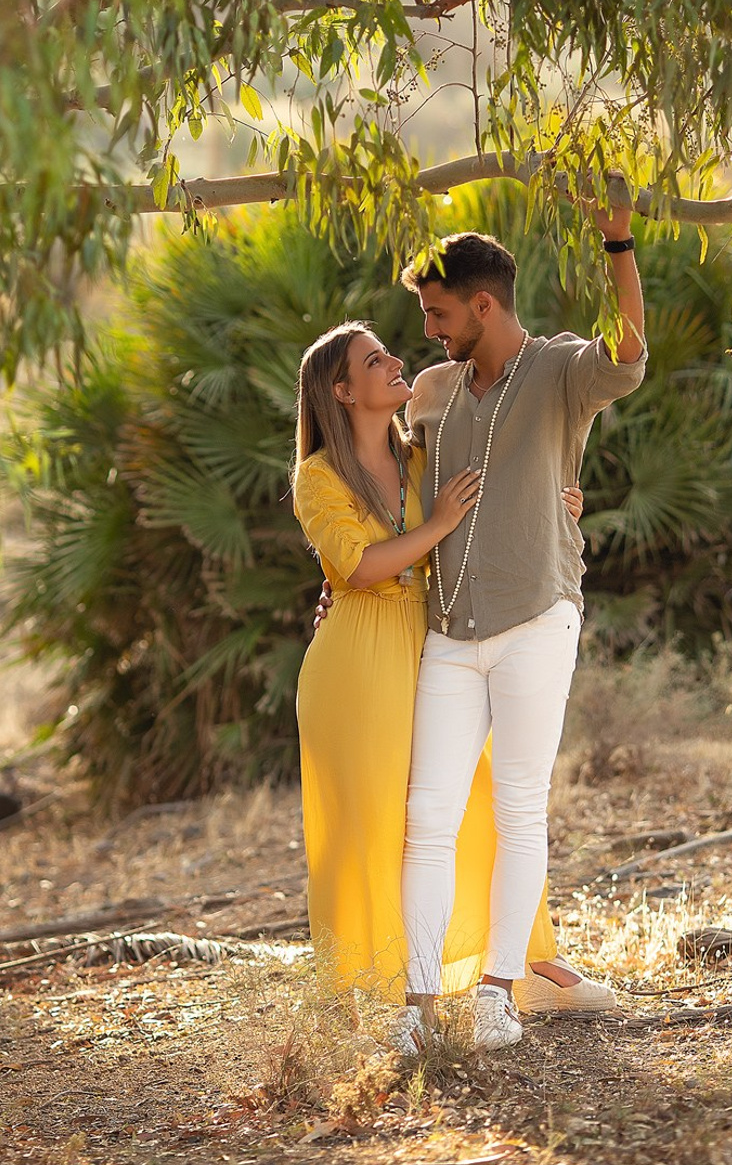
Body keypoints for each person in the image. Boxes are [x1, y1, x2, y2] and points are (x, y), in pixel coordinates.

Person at [396, 210, 646, 1053]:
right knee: (427, 816)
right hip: (450, 633)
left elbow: (628, 354)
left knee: (518, 809)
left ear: (484, 306)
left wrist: (617, 248)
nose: (428, 330)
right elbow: (382, 473)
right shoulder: (435, 391)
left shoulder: (558, 368)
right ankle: (419, 1006)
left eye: (438, 315)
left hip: (539, 616)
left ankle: (497, 995)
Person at [292, 322, 596, 1003]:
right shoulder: (317, 477)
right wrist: (435, 528)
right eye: (375, 361)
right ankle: (366, 986)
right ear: (342, 392)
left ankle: (517, 960)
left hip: (426, 641)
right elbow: (360, 565)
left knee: (476, 801)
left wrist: (558, 500)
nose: (398, 360)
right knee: (370, 821)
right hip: (354, 666)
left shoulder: (420, 458)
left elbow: (501, 494)